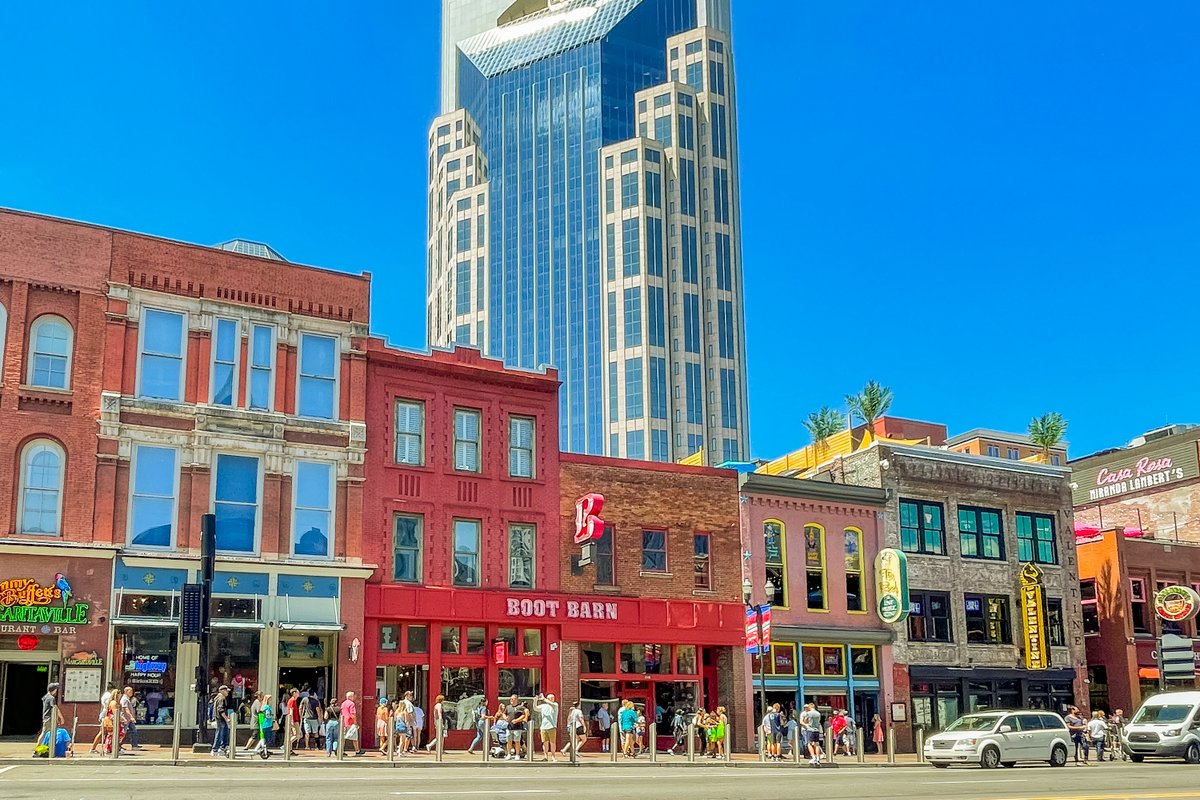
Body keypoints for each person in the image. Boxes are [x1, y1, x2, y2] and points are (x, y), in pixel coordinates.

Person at [91, 683, 118, 753]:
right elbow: (108, 705)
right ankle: (94, 748)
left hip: (105, 714)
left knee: (104, 732)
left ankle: (109, 747)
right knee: (103, 732)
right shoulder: (108, 696)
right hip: (106, 714)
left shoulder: (106, 695)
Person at [535, 692, 559, 762]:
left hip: (552, 727)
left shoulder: (555, 705)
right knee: (544, 742)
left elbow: (551, 704)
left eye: (552, 698)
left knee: (552, 743)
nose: (551, 699)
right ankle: (545, 756)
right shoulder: (543, 706)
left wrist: (544, 699)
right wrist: (535, 701)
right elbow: (535, 708)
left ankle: (553, 757)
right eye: (549, 698)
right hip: (543, 727)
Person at [39, 683, 63, 750]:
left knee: (46, 734)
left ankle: (47, 748)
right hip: (49, 718)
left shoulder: (46, 696)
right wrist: (61, 717)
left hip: (46, 718)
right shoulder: (51, 698)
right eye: (56, 689)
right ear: (54, 689)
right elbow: (55, 708)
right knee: (45, 734)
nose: (56, 691)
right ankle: (37, 749)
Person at [505, 694, 529, 761]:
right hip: (509, 727)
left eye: (512, 699)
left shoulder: (520, 707)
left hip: (517, 727)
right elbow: (504, 713)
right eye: (510, 699)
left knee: (517, 741)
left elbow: (524, 715)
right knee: (509, 741)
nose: (511, 700)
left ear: (516, 699)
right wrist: (505, 718)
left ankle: (517, 754)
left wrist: (517, 720)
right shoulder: (508, 707)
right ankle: (509, 754)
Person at [210, 685, 231, 757]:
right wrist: (226, 718)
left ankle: (221, 748)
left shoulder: (217, 698)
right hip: (220, 719)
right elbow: (220, 709)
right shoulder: (221, 698)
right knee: (220, 733)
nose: (228, 692)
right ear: (222, 691)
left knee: (222, 732)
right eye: (226, 690)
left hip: (219, 718)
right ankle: (216, 749)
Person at [254, 693, 275, 758]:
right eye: (270, 699)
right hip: (267, 724)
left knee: (263, 738)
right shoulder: (267, 707)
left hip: (264, 724)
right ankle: (261, 749)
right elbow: (268, 715)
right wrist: (273, 716)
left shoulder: (263, 707)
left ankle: (258, 749)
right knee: (267, 738)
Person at [341, 691, 362, 756]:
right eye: (353, 696)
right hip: (350, 722)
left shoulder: (343, 703)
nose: (354, 697)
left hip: (344, 722)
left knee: (343, 737)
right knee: (354, 737)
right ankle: (357, 750)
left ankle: (342, 750)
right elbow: (353, 714)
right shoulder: (352, 704)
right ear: (350, 697)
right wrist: (355, 723)